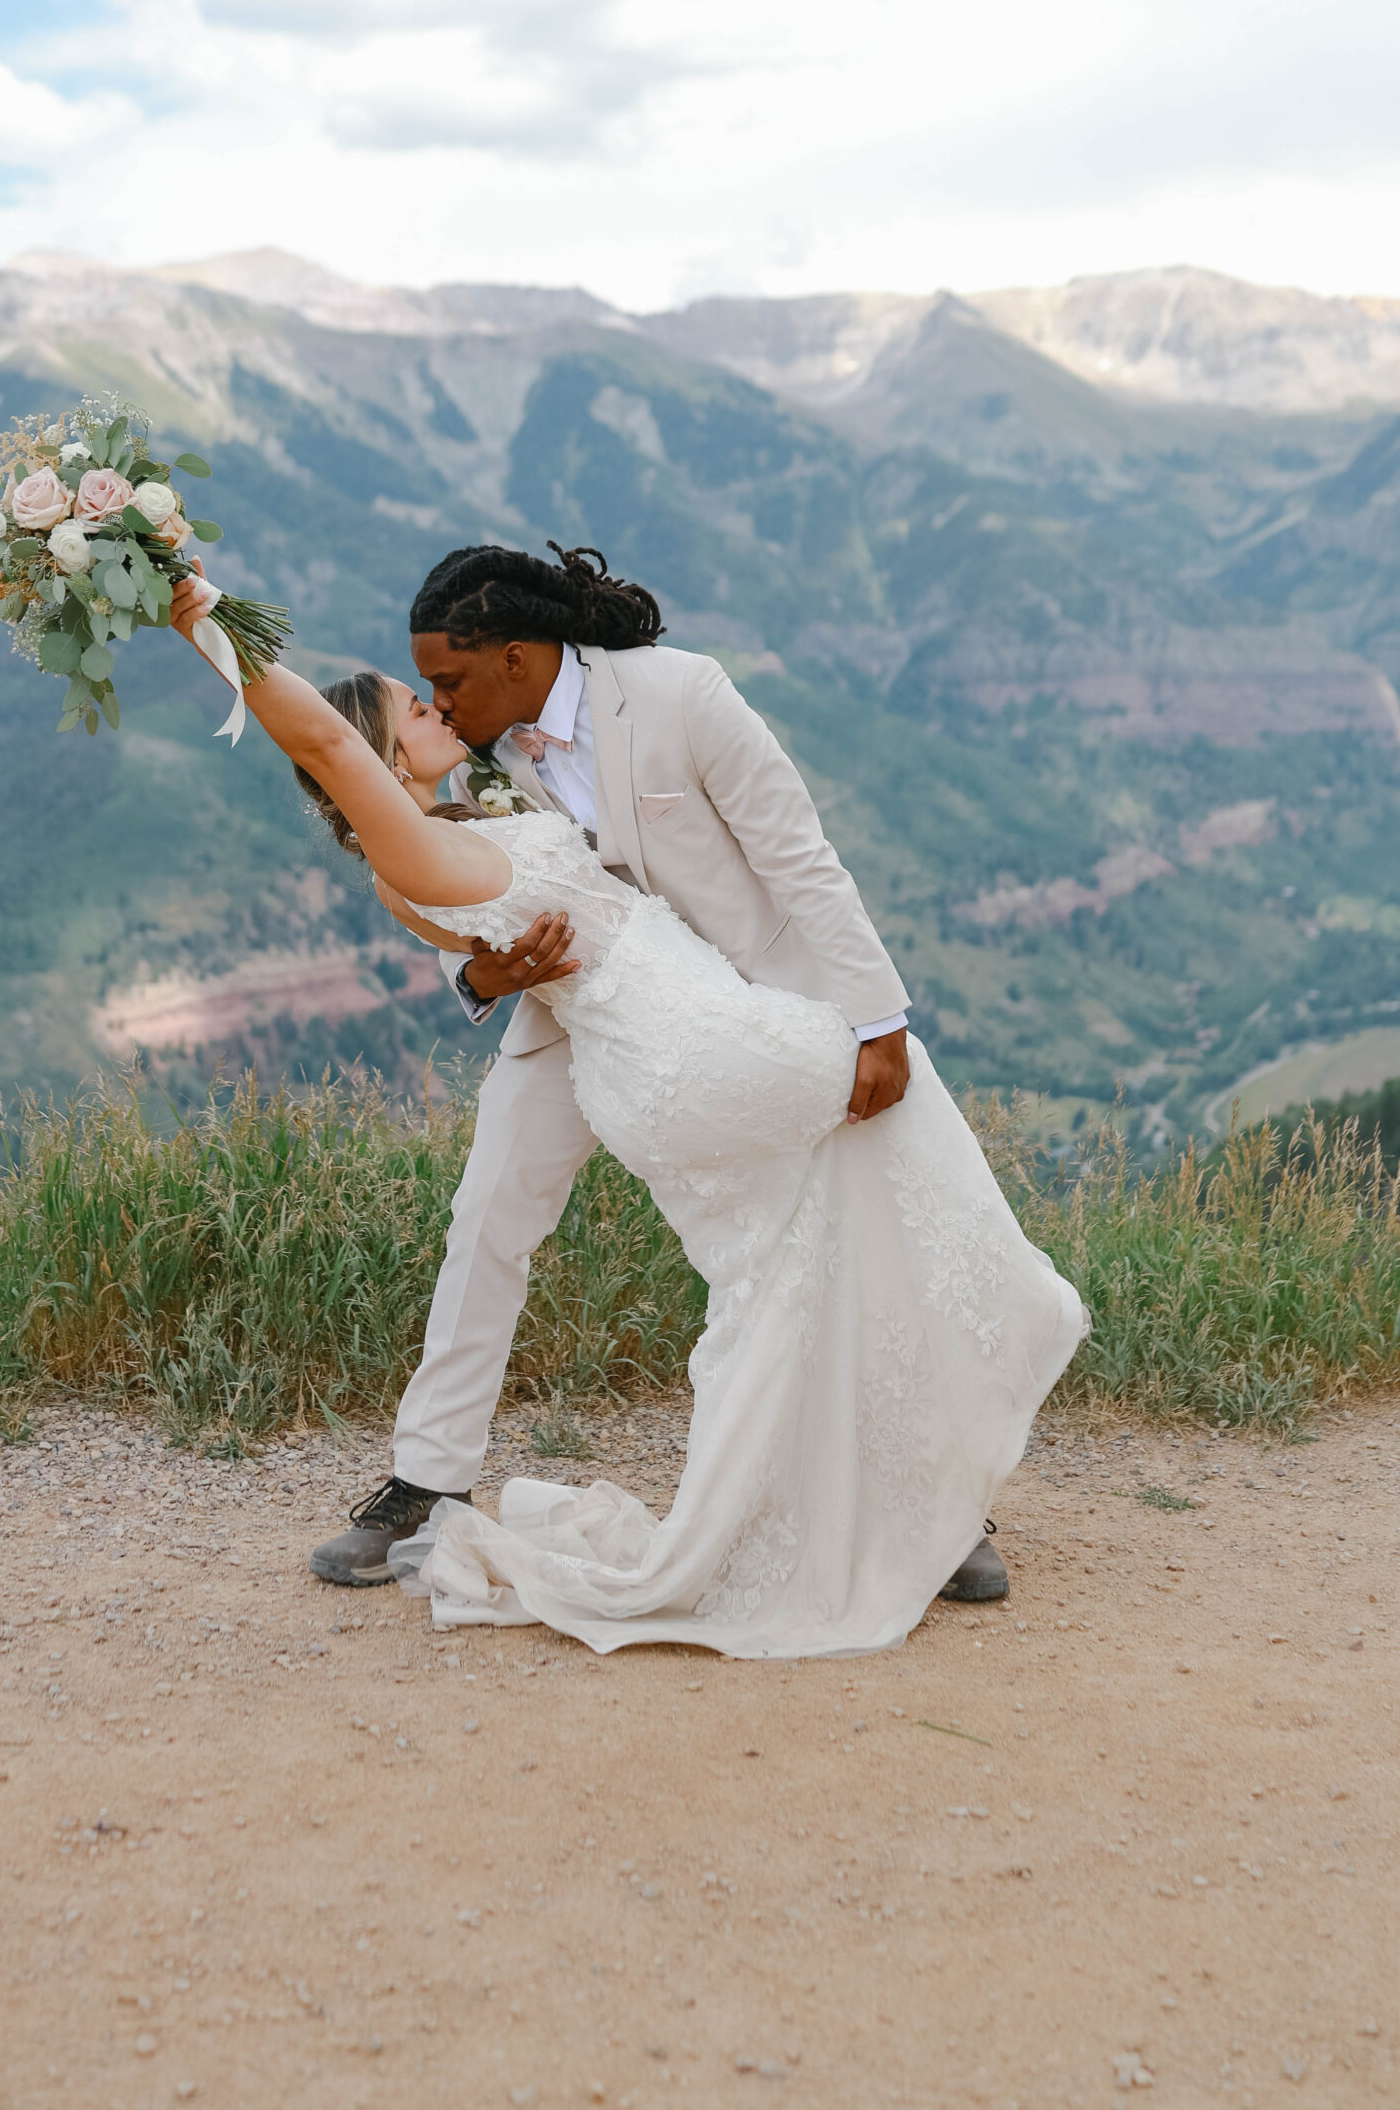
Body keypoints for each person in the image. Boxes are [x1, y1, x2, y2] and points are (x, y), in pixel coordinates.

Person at [170, 549, 1087, 1657]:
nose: (442, 705)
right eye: (422, 699)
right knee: (492, 1217)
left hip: (718, 996)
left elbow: (800, 856)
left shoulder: (672, 697)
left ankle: (934, 1498)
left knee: (816, 1222)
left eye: (445, 684)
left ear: (515, 657)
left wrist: (876, 1015)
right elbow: (368, 791)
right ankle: (425, 1482)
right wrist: (490, 973)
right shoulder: (454, 760)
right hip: (612, 1025)